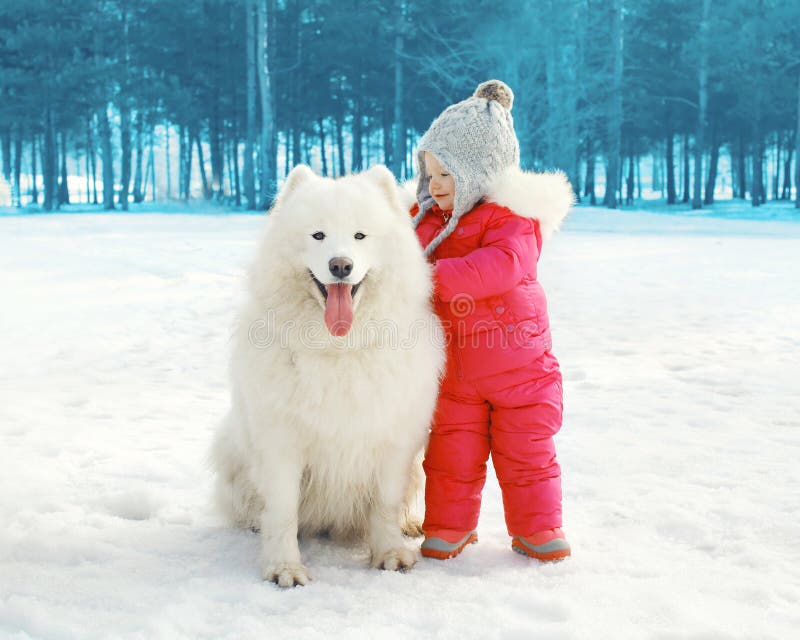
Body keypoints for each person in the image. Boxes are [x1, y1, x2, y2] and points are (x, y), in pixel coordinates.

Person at [410, 80, 574, 561]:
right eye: (430, 173)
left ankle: (538, 529)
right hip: (455, 374)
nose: (435, 185)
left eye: (447, 173)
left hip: (520, 372)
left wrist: (430, 276)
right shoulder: (423, 221)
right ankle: (447, 527)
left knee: (526, 455)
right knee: (450, 455)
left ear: (480, 171)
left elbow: (501, 267)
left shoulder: (511, 219)